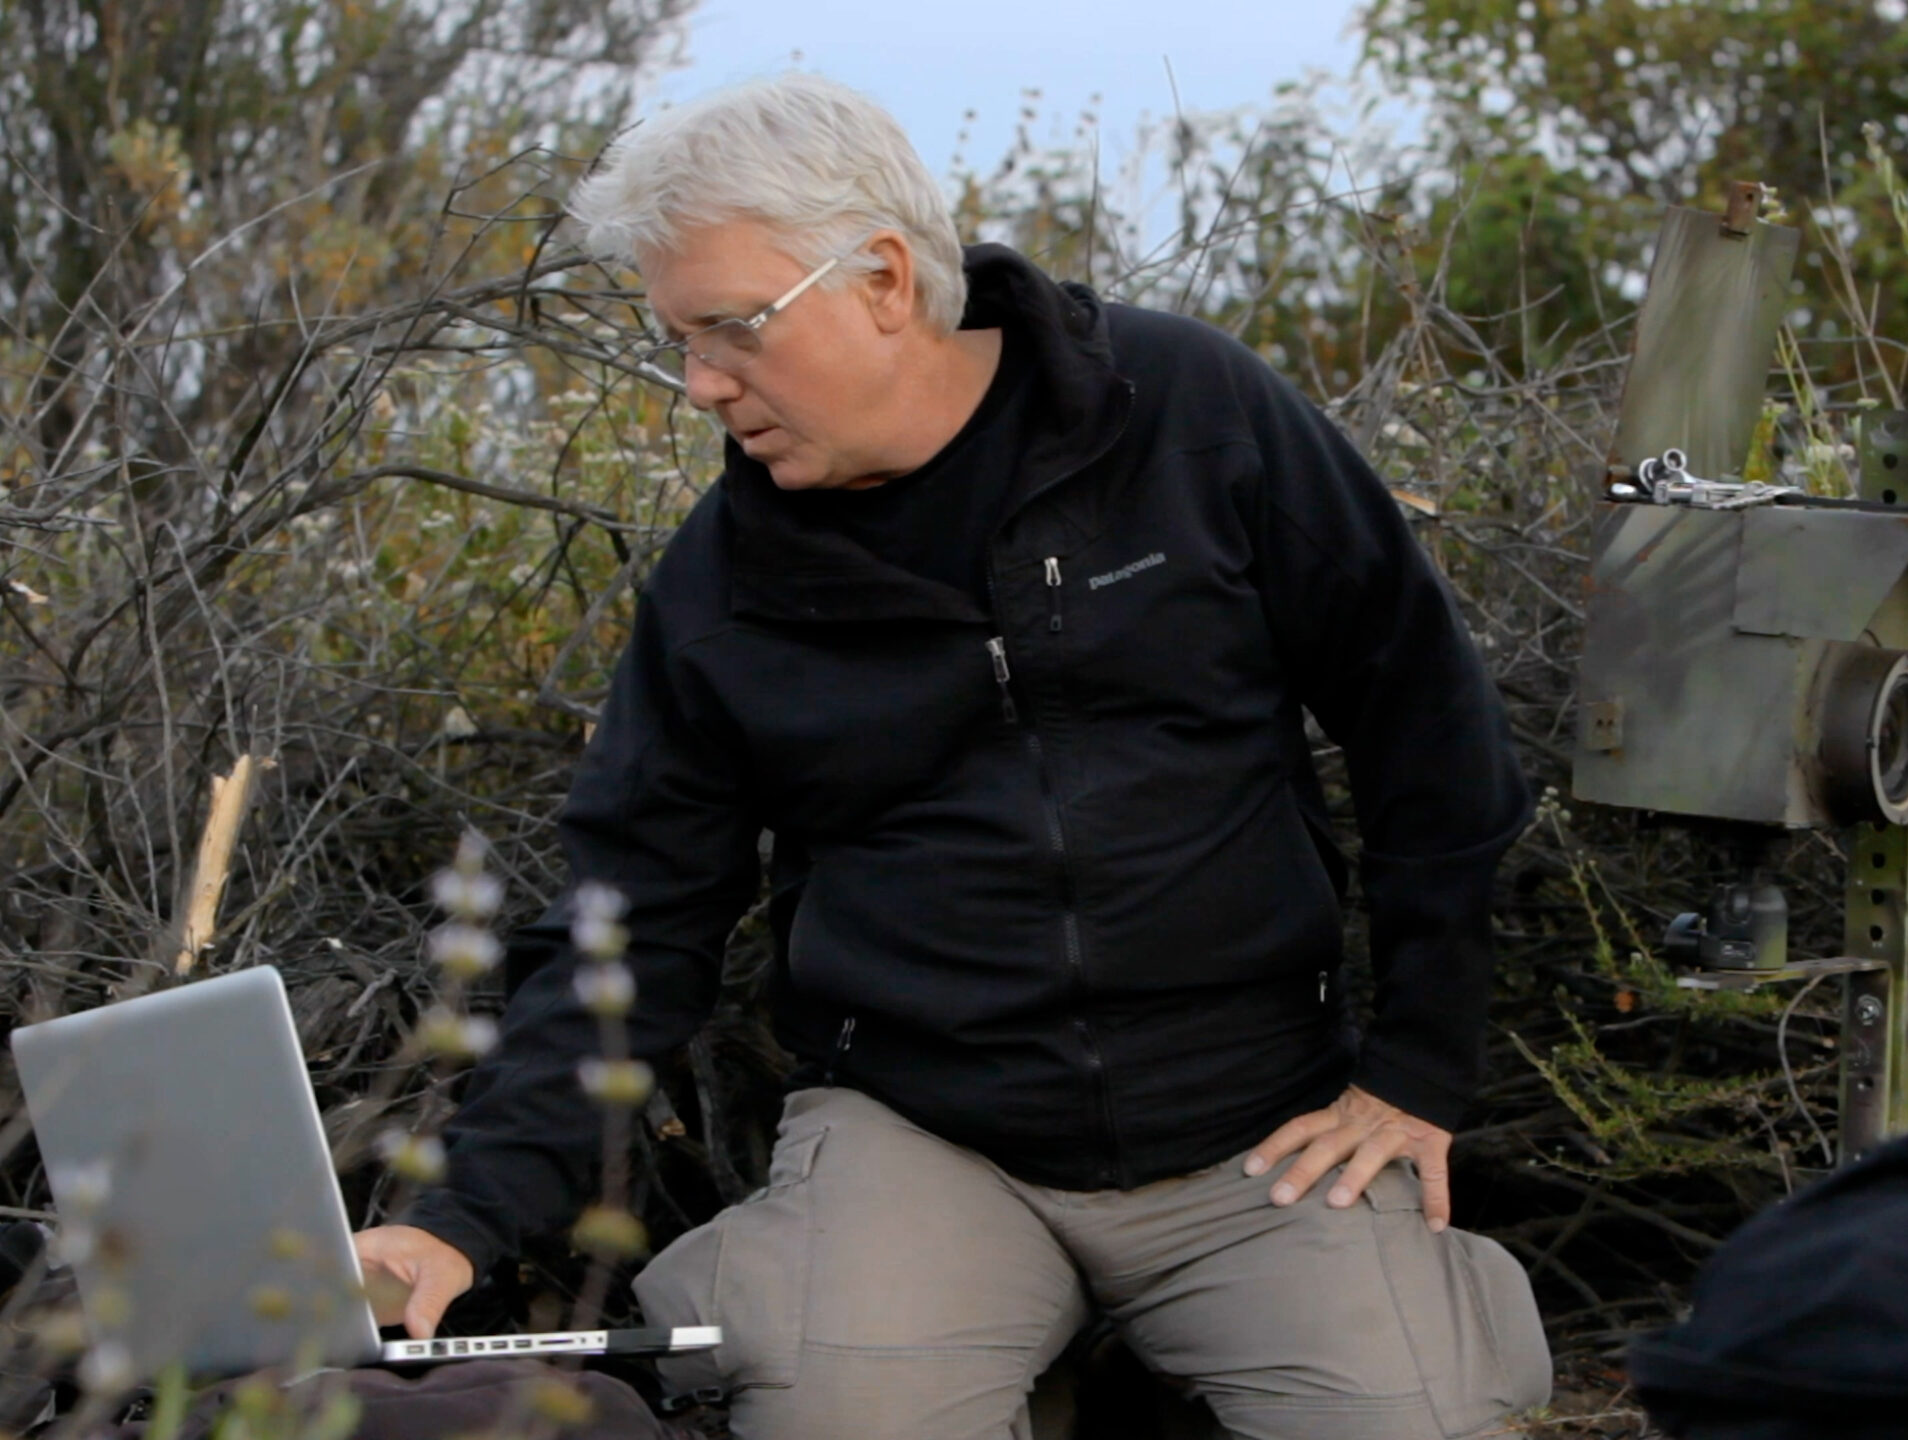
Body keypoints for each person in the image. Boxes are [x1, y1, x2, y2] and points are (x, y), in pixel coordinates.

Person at [353, 74, 1551, 1440]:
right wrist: (457, 1220)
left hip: (1255, 1126)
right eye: (677, 340)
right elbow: (628, 936)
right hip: (927, 1138)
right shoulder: (721, 590)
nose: (700, 384)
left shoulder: (1190, 415)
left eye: (731, 328)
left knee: (1418, 1422)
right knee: (833, 1418)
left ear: (878, 278)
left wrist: (1418, 1069)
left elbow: (1426, 716)